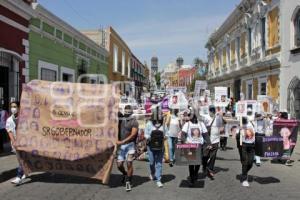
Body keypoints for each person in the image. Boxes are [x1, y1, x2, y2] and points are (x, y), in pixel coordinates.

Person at [181, 109, 210, 187]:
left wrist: (209, 143)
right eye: (192, 115)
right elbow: (183, 135)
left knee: (197, 162)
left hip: (199, 146)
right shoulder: (187, 124)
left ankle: (196, 173)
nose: (193, 117)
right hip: (190, 146)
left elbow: (206, 134)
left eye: (195, 115)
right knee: (191, 163)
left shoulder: (201, 124)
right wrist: (185, 141)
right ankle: (191, 178)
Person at [116, 105, 139, 192]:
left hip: (130, 145)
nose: (127, 113)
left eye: (128, 112)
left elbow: (133, 134)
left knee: (129, 163)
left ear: (131, 112)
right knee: (119, 165)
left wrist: (122, 141)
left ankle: (128, 182)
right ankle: (125, 174)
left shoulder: (134, 121)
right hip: (121, 146)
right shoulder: (121, 118)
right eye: (126, 112)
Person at [145, 105, 165, 188]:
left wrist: (165, 137)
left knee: (159, 163)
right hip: (151, 146)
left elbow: (167, 133)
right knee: (152, 162)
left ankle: (158, 179)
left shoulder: (163, 125)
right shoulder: (149, 124)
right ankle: (153, 172)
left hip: (160, 146)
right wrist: (150, 137)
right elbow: (146, 134)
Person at [6, 101, 26, 185]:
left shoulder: (24, 118)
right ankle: (25, 171)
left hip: (24, 142)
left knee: (21, 159)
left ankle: (18, 177)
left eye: (14, 106)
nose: (13, 108)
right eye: (11, 107)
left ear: (18, 107)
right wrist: (14, 142)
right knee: (20, 160)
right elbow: (9, 132)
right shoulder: (9, 120)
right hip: (15, 143)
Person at [202, 106, 222, 180]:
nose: (212, 111)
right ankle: (204, 166)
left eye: (213, 110)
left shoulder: (218, 117)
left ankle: (210, 169)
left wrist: (221, 116)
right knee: (205, 156)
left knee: (213, 156)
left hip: (215, 140)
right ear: (209, 110)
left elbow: (221, 125)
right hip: (207, 141)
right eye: (211, 110)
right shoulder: (206, 117)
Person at [237, 116, 255, 187]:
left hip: (252, 145)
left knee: (250, 163)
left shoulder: (252, 123)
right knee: (245, 162)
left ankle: (244, 172)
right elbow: (236, 135)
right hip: (244, 145)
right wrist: (239, 130)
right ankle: (244, 179)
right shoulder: (240, 124)